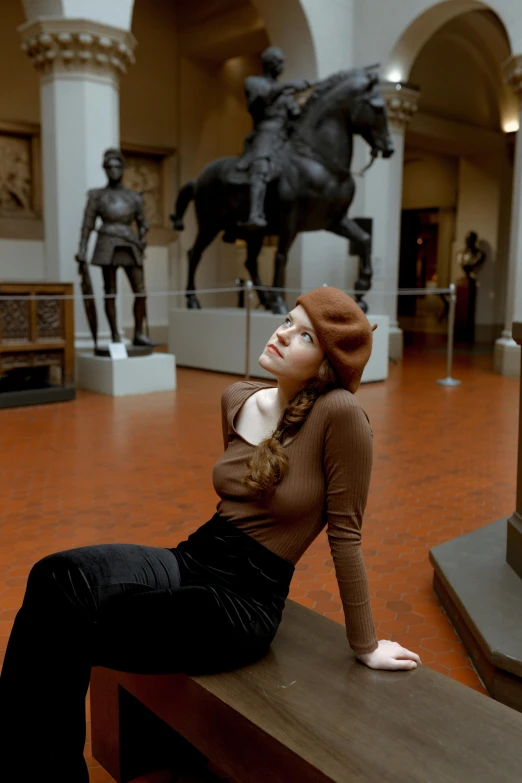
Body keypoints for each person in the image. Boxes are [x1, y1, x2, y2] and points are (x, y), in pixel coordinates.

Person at [0, 287, 420, 782]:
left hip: (245, 600)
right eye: (287, 320)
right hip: (195, 557)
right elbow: (241, 499)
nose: (283, 334)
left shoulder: (341, 415)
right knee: (55, 577)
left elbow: (345, 536)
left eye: (305, 336)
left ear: (327, 364)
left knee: (72, 626)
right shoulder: (237, 399)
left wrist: (365, 643)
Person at [75, 147, 153, 346]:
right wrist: (82, 248)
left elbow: (143, 222)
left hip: (129, 241)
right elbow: (88, 224)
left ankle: (138, 333)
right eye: (109, 167)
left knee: (141, 291)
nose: (113, 171)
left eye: (117, 167)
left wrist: (143, 236)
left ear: (122, 168)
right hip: (107, 242)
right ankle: (115, 336)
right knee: (110, 292)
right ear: (105, 169)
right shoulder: (97, 196)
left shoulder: (134, 197)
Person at [238, 46, 309, 229]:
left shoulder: (285, 93)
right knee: (261, 166)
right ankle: (254, 212)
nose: (282, 66)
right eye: (280, 62)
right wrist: (288, 86)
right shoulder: (253, 82)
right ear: (270, 64)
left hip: (285, 136)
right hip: (265, 131)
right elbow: (262, 98)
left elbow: (296, 116)